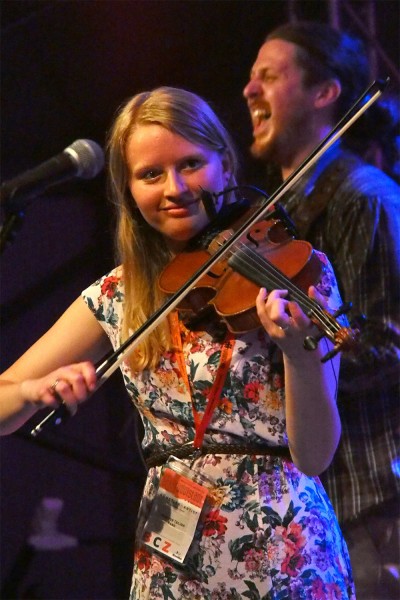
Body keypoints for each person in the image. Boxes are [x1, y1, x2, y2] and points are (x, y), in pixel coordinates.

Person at [0, 86, 355, 599]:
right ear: (129, 190)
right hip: (170, 561)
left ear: (225, 166)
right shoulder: (120, 295)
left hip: (285, 548)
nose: (175, 188)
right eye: (150, 174)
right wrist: (36, 392)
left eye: (191, 163)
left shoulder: (296, 271)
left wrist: (302, 355)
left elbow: (316, 455)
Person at [243, 21, 400, 599]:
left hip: (372, 503)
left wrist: (295, 357)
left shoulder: (365, 199)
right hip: (311, 510)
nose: (248, 91)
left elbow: (389, 345)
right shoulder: (275, 218)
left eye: (269, 75)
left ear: (325, 93)